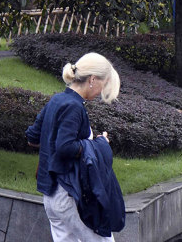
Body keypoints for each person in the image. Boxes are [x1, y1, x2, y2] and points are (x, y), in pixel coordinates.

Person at [26, 52, 121, 242]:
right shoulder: (74, 106)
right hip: (69, 194)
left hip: (51, 195)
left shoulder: (57, 100)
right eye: (104, 83)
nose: (102, 91)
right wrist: (99, 144)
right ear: (93, 79)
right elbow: (65, 147)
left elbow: (32, 137)